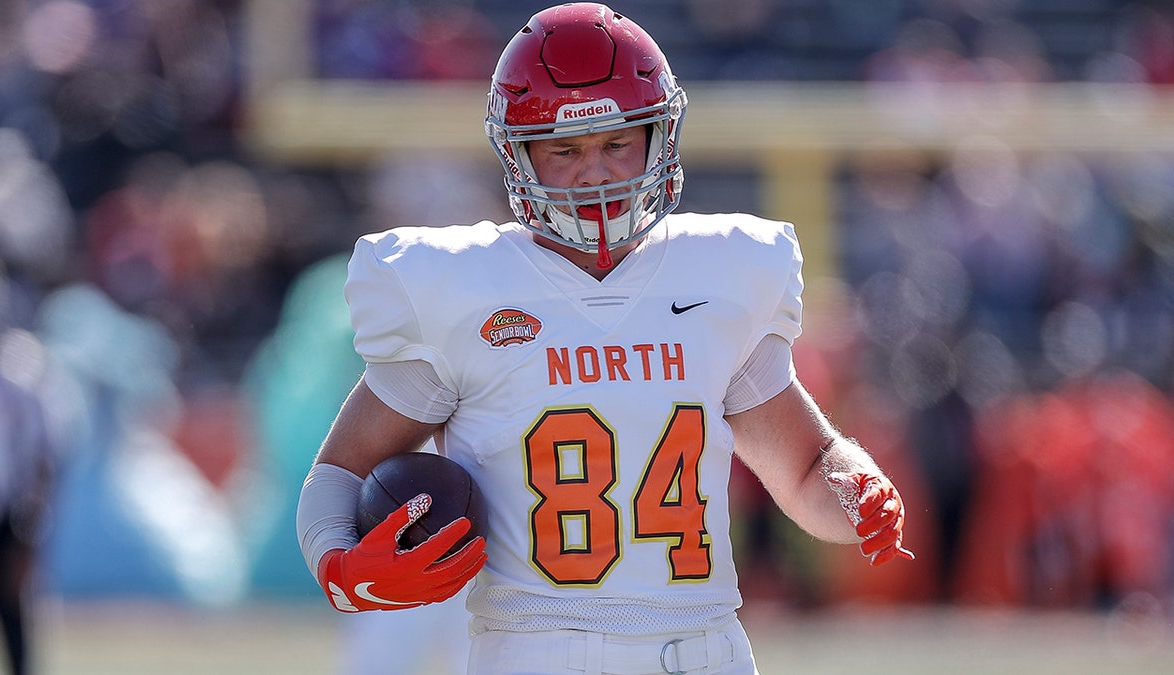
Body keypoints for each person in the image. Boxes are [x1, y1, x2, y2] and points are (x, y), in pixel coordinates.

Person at [297, 4, 913, 674]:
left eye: (618, 143)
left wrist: (854, 485)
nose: (595, 173)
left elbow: (803, 464)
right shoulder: (465, 290)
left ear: (661, 136)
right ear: (518, 151)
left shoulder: (716, 276)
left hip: (700, 649)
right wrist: (338, 560)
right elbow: (338, 469)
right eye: (565, 150)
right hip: (535, 650)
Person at [0, 316, 58, 675]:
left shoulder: (15, 388)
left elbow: (42, 464)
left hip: (2, 524)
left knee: (14, 633)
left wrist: (26, 538)